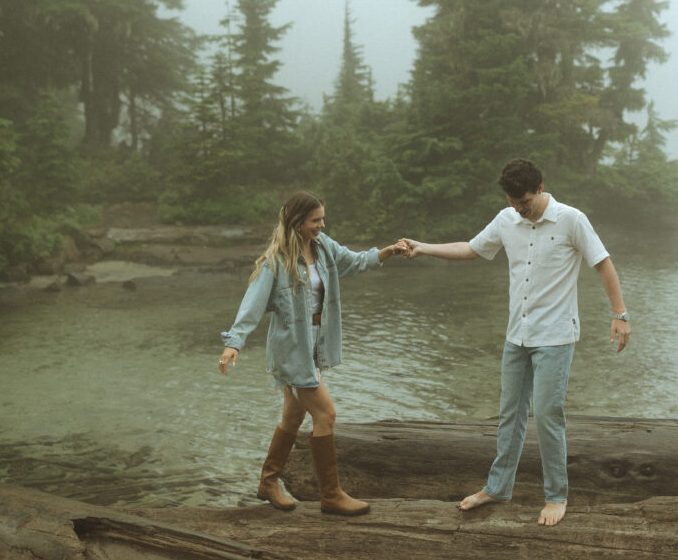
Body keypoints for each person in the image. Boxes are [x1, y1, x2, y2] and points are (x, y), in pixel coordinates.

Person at [400, 158, 630, 527]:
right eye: (512, 202)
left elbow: (603, 264)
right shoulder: (507, 218)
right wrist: (423, 247)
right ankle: (498, 487)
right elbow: (471, 248)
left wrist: (620, 316)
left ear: (540, 189)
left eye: (523, 202)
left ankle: (556, 496)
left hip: (555, 336)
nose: (518, 209)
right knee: (509, 415)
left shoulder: (571, 219)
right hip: (516, 335)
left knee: (548, 415)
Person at [218, 191, 406, 516]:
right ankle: (330, 495)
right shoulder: (276, 262)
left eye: (322, 219)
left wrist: (387, 252)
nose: (321, 224)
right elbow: (252, 304)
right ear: (297, 222)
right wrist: (234, 341)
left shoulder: (323, 248)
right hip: (293, 351)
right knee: (326, 414)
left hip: (315, 344)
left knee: (294, 415)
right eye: (315, 220)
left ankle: (268, 481)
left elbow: (354, 261)